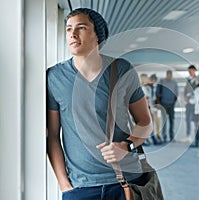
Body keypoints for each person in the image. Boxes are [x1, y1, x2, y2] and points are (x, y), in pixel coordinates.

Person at [46, 8, 152, 200]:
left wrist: (126, 146)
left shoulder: (122, 70)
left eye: (81, 27)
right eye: (69, 29)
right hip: (80, 188)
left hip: (125, 182)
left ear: (98, 36)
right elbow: (52, 135)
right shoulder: (55, 77)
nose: (72, 34)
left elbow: (145, 122)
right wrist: (64, 184)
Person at [156, 70, 178, 143]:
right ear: (166, 75)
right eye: (168, 75)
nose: (170, 76)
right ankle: (164, 136)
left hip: (171, 104)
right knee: (164, 121)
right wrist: (159, 103)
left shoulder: (174, 82)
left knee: (172, 121)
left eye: (171, 75)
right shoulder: (162, 82)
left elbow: (176, 93)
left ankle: (171, 137)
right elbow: (157, 93)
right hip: (163, 104)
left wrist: (174, 103)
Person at [183, 65, 197, 142]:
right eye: (188, 71)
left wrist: (190, 97)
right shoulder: (188, 80)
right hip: (188, 103)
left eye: (190, 71)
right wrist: (185, 97)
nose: (189, 73)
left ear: (194, 70)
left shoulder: (198, 80)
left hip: (195, 104)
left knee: (195, 120)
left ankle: (197, 136)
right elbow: (185, 89)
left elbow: (197, 91)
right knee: (187, 119)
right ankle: (188, 136)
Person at [148, 73, 162, 144]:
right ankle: (153, 138)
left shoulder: (154, 87)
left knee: (157, 122)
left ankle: (157, 137)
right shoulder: (148, 87)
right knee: (151, 123)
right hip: (150, 108)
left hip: (155, 107)